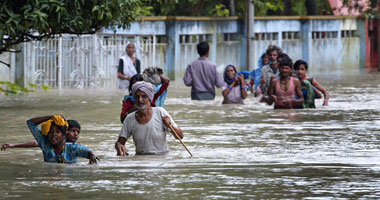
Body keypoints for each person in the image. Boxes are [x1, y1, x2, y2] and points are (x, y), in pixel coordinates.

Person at [115, 81, 184, 155]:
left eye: (144, 96)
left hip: (162, 158)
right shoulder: (129, 118)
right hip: (141, 160)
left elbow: (180, 136)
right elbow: (120, 142)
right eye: (137, 97)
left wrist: (170, 125)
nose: (140, 100)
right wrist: (119, 147)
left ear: (150, 98)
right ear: (134, 98)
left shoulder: (160, 112)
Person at [27, 115, 99, 164]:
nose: (54, 134)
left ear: (64, 135)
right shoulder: (45, 144)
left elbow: (88, 152)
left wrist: (92, 155)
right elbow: (30, 123)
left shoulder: (73, 147)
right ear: (47, 134)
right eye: (51, 132)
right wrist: (50, 117)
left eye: (58, 132)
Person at [1, 119, 82, 150]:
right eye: (72, 131)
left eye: (78, 132)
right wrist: (14, 145)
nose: (75, 134)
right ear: (65, 132)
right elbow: (35, 143)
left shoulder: (77, 146)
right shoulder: (53, 142)